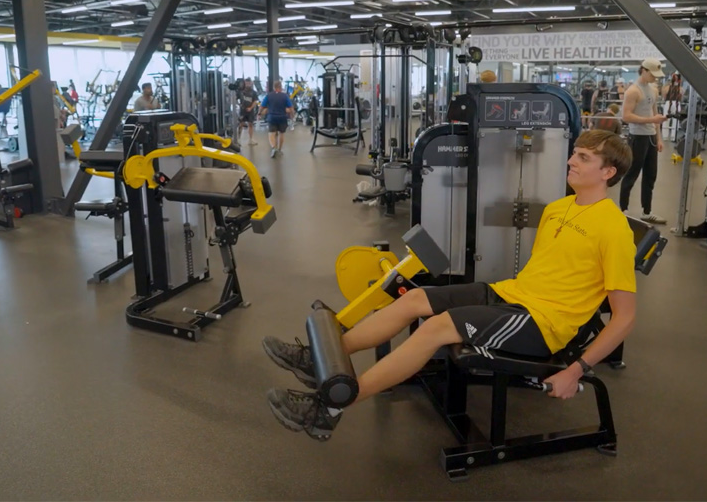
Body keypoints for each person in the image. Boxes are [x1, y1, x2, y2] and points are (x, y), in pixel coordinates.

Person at [263, 130, 636, 441]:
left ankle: (328, 408)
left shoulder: (614, 229)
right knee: (416, 298)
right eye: (574, 153)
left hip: (543, 322)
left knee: (438, 327)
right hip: (513, 294)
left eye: (584, 157)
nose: (571, 161)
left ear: (608, 172)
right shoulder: (558, 208)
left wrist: (576, 369)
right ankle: (316, 360)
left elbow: (624, 318)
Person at [619, 58, 668, 224]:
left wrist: (659, 138)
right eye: (652, 74)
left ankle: (647, 211)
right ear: (644, 70)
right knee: (631, 174)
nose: (655, 78)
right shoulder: (633, 91)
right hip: (637, 137)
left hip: (651, 137)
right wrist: (651, 120)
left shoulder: (653, 90)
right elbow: (626, 116)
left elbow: (655, 114)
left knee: (650, 175)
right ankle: (623, 210)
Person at [259, 81, 294, 158]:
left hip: (272, 117)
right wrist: (292, 116)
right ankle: (279, 149)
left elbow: (262, 106)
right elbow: (291, 108)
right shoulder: (285, 96)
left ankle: (273, 148)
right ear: (281, 87)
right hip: (282, 117)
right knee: (281, 133)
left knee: (271, 133)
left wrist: (259, 113)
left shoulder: (269, 96)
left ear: (274, 87)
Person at [660, 73, 683, 141]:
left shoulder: (668, 88)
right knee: (669, 120)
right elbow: (680, 97)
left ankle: (668, 136)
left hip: (673, 103)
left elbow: (664, 97)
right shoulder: (680, 89)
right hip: (673, 103)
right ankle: (671, 136)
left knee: (670, 120)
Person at [237, 78, 258, 146]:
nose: (248, 84)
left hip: (250, 111)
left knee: (250, 124)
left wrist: (251, 108)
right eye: (246, 83)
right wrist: (239, 105)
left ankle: (250, 140)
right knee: (241, 124)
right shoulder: (240, 91)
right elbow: (235, 99)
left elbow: (255, 101)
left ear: (251, 83)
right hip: (242, 111)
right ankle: (238, 139)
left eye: (249, 83)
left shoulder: (254, 92)